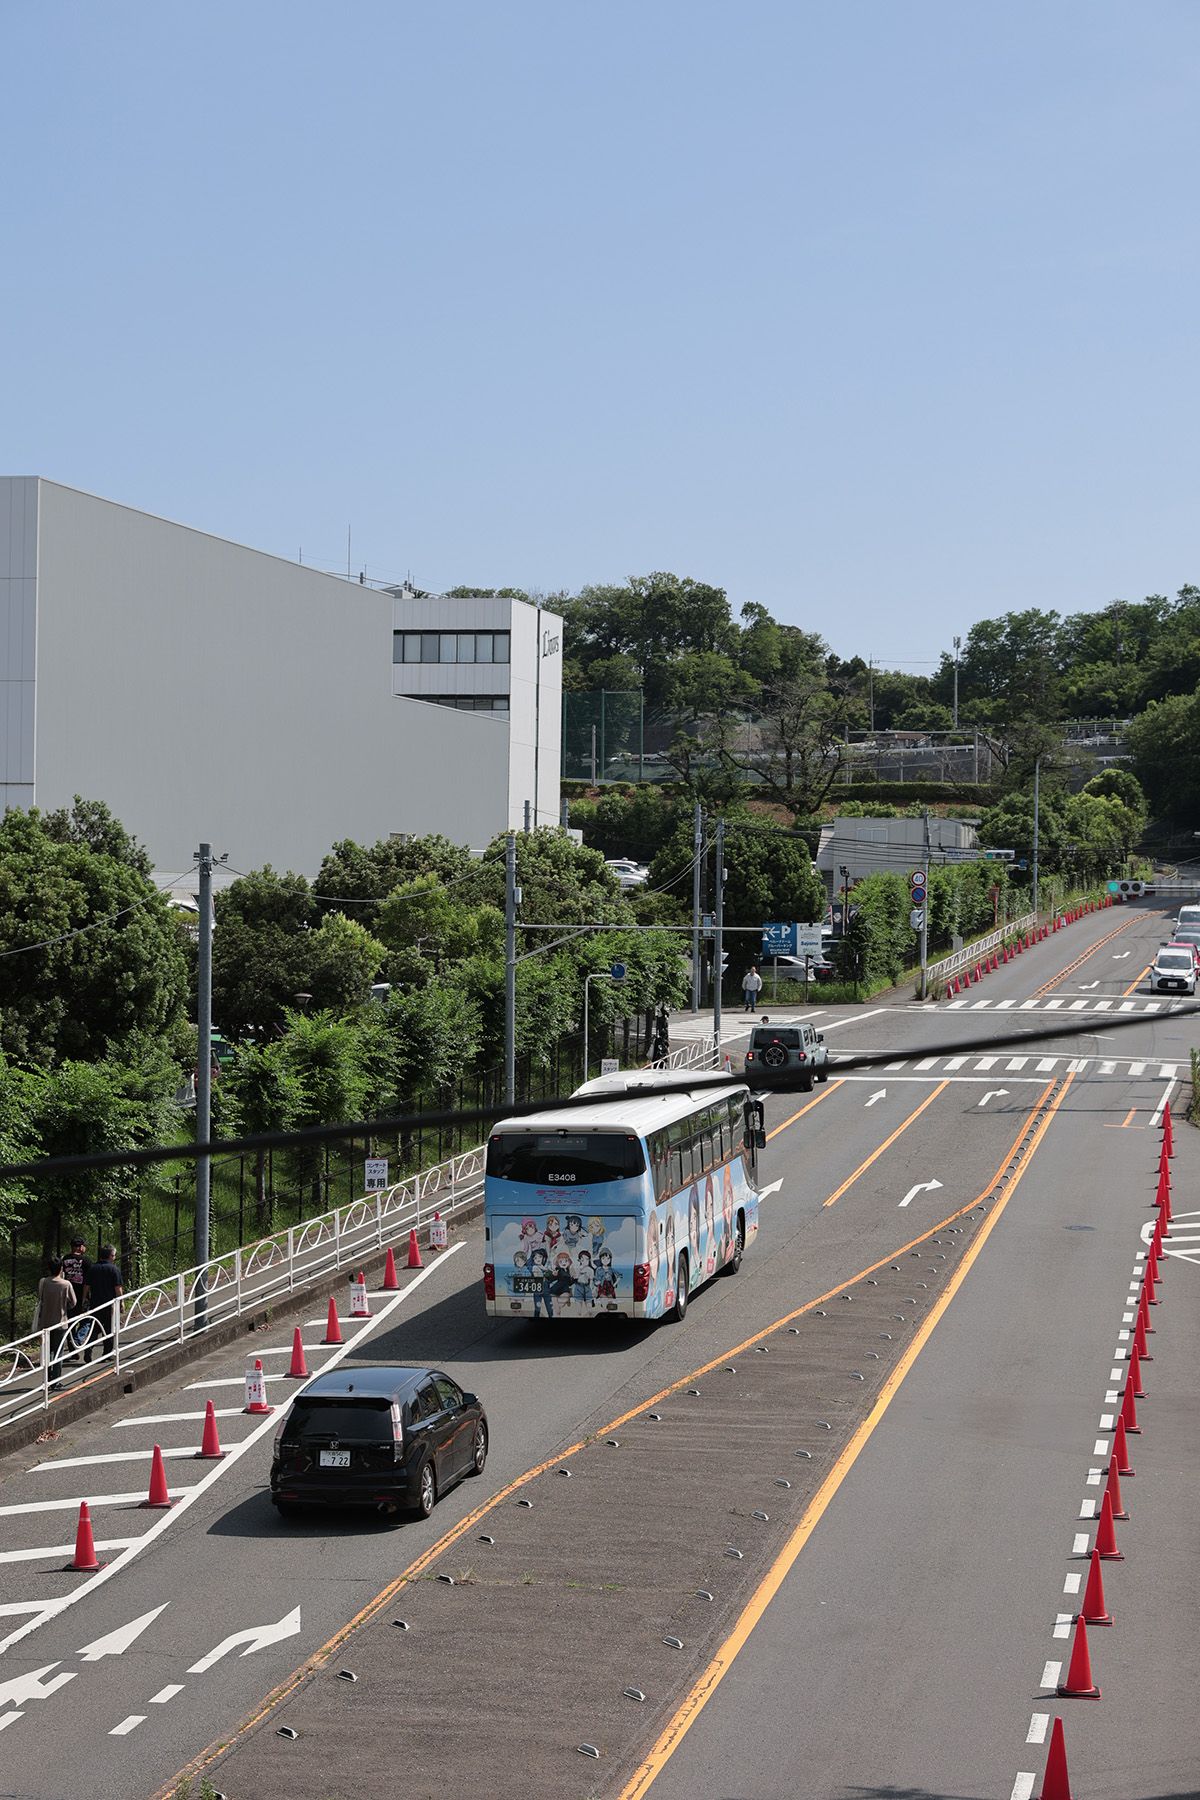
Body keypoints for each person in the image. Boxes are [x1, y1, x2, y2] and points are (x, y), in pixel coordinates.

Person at [35, 1257, 77, 1383]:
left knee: (48, 1351)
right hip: (60, 1322)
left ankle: (47, 1378)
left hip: (45, 1323)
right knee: (58, 1352)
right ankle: (56, 1380)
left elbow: (40, 1298)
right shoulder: (65, 1284)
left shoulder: (43, 1282)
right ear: (61, 1269)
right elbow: (73, 1302)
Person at [82, 1244, 124, 1364]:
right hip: (110, 1304)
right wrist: (121, 1302)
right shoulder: (114, 1269)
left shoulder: (93, 1268)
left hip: (95, 1303)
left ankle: (88, 1350)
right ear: (111, 1256)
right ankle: (107, 1353)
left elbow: (86, 1286)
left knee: (94, 1329)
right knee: (110, 1329)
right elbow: (118, 1288)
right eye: (114, 1255)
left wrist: (84, 1299)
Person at [60, 1235, 90, 1322]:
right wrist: (85, 1297)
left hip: (68, 1294)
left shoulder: (65, 1258)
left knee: (70, 1319)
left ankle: (71, 1335)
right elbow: (88, 1281)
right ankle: (78, 1336)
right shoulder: (86, 1261)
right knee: (86, 1320)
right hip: (81, 1294)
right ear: (81, 1247)